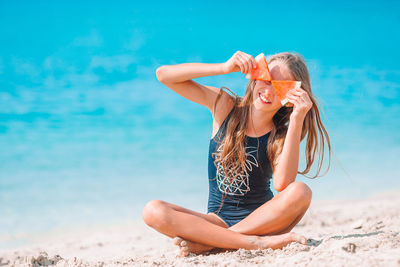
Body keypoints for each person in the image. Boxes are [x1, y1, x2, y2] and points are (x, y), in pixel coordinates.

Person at [142, 51, 331, 257]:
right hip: (216, 221)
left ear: (292, 96)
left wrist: (297, 119)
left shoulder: (282, 135)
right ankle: (249, 243)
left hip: (263, 222)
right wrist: (223, 68)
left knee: (301, 191)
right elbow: (163, 75)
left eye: (280, 87)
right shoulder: (225, 106)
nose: (268, 91)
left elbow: (283, 185)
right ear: (255, 78)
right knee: (153, 210)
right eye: (265, 80)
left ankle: (215, 243)